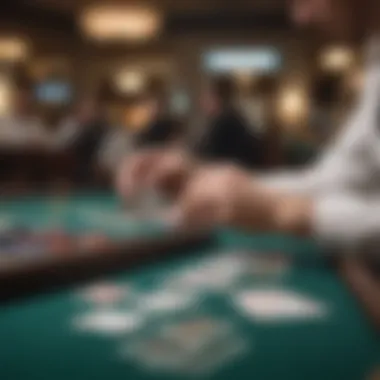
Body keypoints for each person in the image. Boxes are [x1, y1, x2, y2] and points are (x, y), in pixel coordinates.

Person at [117, 0, 380, 252]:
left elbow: (292, 207)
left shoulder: (229, 120)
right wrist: (198, 179)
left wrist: (289, 212)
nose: (300, 18)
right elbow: (336, 180)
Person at [194, 77, 263, 169]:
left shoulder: (226, 121)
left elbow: (213, 153)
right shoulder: (221, 119)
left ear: (216, 100)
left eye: (206, 100)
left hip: (232, 171)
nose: (202, 105)